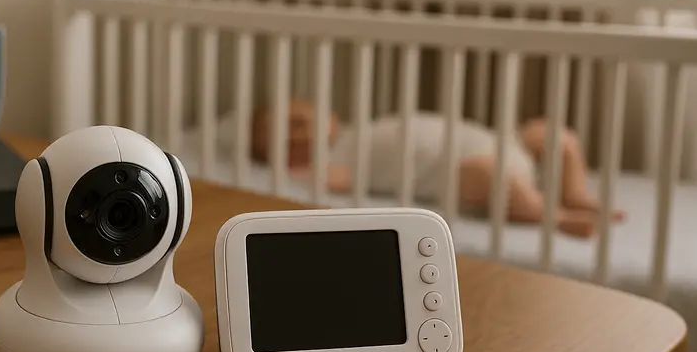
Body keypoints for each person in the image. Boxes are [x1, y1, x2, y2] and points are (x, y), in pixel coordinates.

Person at [249, 99, 625, 238]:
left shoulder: (359, 127)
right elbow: (333, 183)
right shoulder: (335, 162)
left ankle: (576, 193)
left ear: (328, 115)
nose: (300, 131)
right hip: (465, 172)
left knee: (555, 134)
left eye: (303, 118)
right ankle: (555, 215)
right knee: (487, 175)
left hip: (503, 142)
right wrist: (298, 171)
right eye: (285, 134)